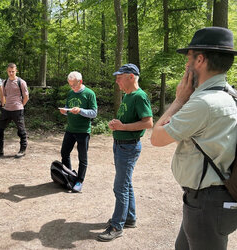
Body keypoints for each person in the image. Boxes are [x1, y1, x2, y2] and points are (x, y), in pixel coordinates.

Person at [151, 27, 237, 250]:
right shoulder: (230, 95)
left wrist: (179, 100)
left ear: (200, 59)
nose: (186, 64)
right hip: (214, 199)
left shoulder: (203, 103)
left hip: (207, 204)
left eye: (188, 57)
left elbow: (157, 138)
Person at [97, 63, 153, 242]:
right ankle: (129, 218)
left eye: (119, 78)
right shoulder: (128, 96)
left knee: (120, 186)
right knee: (126, 184)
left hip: (128, 147)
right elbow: (126, 121)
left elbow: (148, 123)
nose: (117, 82)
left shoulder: (139, 96)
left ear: (131, 76)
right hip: (120, 145)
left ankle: (116, 226)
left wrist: (123, 127)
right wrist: (117, 124)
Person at [58, 71, 97, 192]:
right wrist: (65, 111)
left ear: (80, 82)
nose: (72, 87)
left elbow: (94, 113)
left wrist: (80, 110)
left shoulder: (89, 94)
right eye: (70, 85)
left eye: (74, 85)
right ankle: (69, 175)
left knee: (82, 158)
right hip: (70, 129)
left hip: (83, 131)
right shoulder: (70, 93)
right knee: (64, 153)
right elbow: (68, 107)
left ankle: (80, 181)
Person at [0, 63, 29, 158]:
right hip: (6, 110)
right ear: (7, 71)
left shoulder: (21, 82)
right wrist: (3, 105)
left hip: (17, 110)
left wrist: (20, 105)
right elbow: (4, 95)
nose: (11, 73)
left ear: (16, 71)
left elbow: (26, 97)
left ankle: (22, 150)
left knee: (21, 131)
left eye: (13, 71)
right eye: (9, 71)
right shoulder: (5, 82)